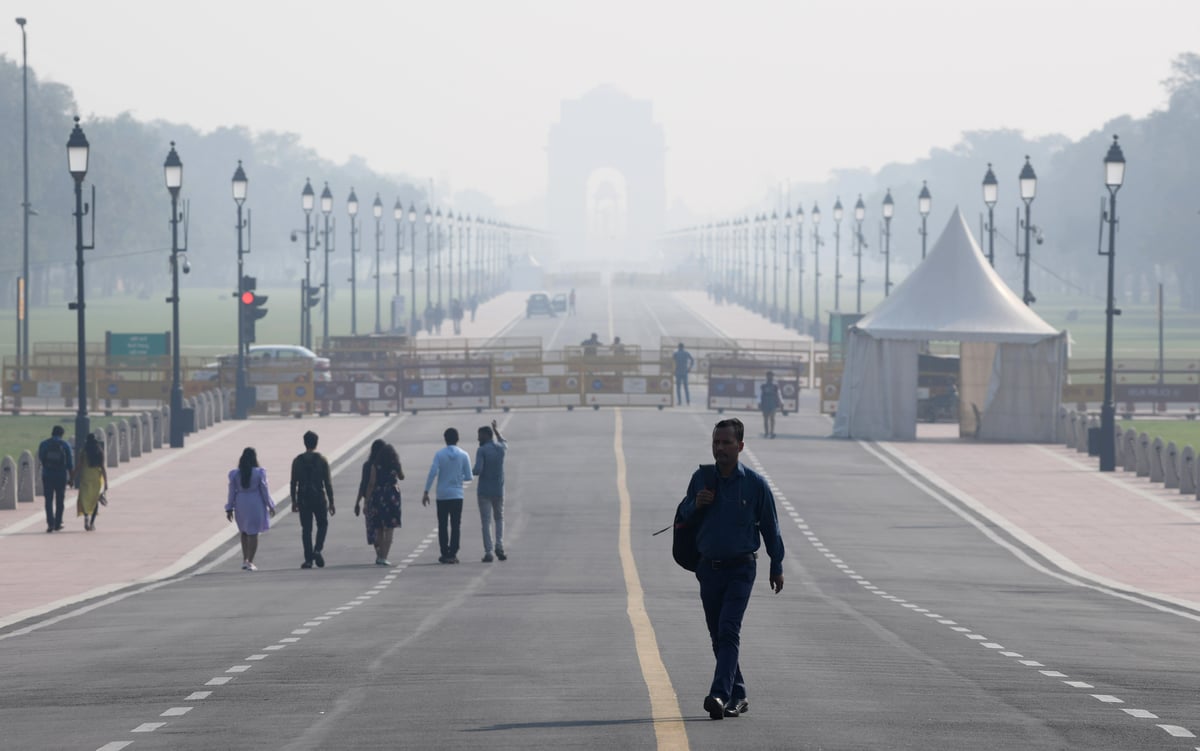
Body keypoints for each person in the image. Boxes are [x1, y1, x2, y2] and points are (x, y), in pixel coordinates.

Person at [676, 417, 784, 720]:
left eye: (726, 443)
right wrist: (696, 503)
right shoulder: (702, 479)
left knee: (728, 630)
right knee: (717, 635)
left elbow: (771, 528)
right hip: (708, 569)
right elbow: (682, 514)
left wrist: (777, 564)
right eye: (716, 443)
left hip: (741, 568)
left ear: (740, 446)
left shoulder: (755, 484)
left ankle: (720, 694)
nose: (720, 448)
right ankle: (738, 693)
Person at [422, 427, 473, 564]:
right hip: (457, 494)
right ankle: (453, 552)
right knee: (456, 524)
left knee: (442, 524)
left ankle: (444, 552)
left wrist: (426, 491)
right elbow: (469, 477)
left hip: (442, 495)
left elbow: (433, 472)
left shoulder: (439, 454)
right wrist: (458, 477)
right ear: (458, 439)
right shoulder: (464, 455)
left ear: (445, 439)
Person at [290, 430, 336, 569]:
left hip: (303, 498)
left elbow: (293, 483)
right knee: (322, 524)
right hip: (319, 498)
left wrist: (294, 501)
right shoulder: (322, 460)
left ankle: (308, 559)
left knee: (306, 529)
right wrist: (332, 501)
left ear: (304, 443)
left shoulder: (297, 461)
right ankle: (318, 550)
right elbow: (327, 482)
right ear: (316, 443)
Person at [225, 447, 276, 571]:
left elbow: (231, 492)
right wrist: (270, 505)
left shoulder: (235, 474)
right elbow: (264, 490)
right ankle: (250, 561)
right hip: (255, 502)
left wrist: (229, 508)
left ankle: (245, 559)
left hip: (241, 503)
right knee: (253, 533)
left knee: (244, 532)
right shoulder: (259, 472)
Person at [356, 440, 404, 566]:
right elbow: (402, 476)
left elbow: (371, 484)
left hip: (378, 497)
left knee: (379, 528)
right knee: (390, 529)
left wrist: (366, 502)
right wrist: (397, 465)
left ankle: (380, 555)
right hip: (393, 498)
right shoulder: (394, 465)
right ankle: (383, 556)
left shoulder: (374, 466)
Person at [473, 419, 508, 563]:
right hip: (498, 490)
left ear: (486, 436)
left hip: (484, 491)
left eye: (480, 436)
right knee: (499, 518)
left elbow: (477, 470)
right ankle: (499, 545)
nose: (478, 439)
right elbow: (504, 441)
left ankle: (489, 551)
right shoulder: (501, 448)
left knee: (486, 522)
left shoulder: (481, 450)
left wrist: (466, 472)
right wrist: (496, 430)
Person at [38, 425, 74, 533]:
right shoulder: (65, 445)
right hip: (61, 475)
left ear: (52, 433)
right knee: (60, 500)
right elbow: (70, 464)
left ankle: (50, 523)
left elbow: (41, 458)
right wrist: (71, 479)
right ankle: (58, 523)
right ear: (61, 434)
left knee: (48, 500)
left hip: (47, 475)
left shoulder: (44, 444)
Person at [72, 433, 108, 532]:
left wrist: (72, 477)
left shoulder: (83, 452)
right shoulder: (99, 452)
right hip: (96, 479)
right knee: (94, 501)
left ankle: (86, 516)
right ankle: (92, 523)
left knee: (84, 499)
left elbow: (79, 466)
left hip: (85, 478)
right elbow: (103, 468)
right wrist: (106, 482)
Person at [759, 371, 781, 439]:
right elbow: (760, 394)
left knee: (772, 419)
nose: (770, 377)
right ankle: (766, 432)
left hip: (773, 404)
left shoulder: (775, 386)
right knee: (765, 419)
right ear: (766, 376)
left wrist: (779, 402)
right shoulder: (763, 385)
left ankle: (772, 432)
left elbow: (778, 394)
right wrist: (759, 403)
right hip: (765, 403)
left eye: (771, 376)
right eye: (769, 376)